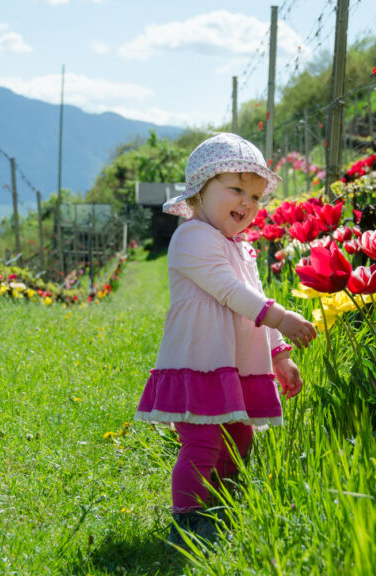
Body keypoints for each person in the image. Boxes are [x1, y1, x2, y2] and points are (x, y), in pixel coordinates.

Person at [134, 132, 317, 548]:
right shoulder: (193, 237)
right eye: (236, 189)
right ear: (200, 189)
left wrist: (278, 355)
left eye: (255, 196)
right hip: (200, 359)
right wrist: (283, 317)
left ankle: (223, 499)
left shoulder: (241, 248)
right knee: (202, 439)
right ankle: (188, 519)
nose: (247, 203)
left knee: (239, 435)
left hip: (233, 362)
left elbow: (252, 305)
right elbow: (230, 293)